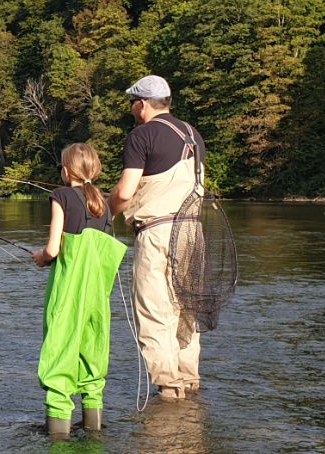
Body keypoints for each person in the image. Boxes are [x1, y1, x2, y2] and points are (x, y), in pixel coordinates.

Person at [108, 75, 206, 400]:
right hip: (194, 231)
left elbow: (124, 191)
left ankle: (169, 392)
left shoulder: (141, 135)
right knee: (187, 310)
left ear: (143, 104)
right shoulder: (194, 134)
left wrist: (104, 213)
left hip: (158, 232)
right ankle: (189, 384)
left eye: (132, 104)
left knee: (154, 312)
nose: (132, 110)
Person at [32, 143, 128, 438]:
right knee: (92, 355)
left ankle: (59, 435)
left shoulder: (60, 196)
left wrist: (41, 258)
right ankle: (93, 428)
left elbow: (52, 248)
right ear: (95, 170)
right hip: (97, 297)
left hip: (68, 292)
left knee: (59, 353)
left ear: (65, 170)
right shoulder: (105, 203)